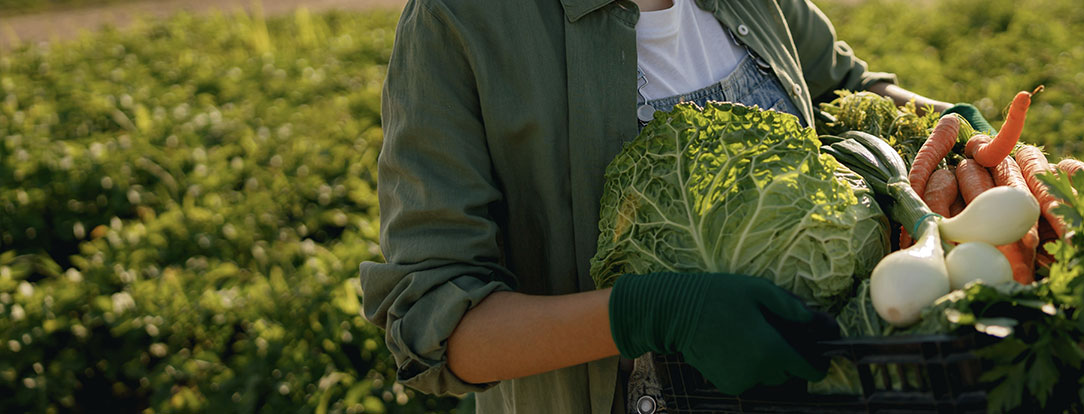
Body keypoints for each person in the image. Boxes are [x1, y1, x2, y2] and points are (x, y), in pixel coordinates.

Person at [359, 0, 993, 412]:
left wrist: (958, 131)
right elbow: (435, 320)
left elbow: (845, 87)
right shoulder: (459, 22)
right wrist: (650, 312)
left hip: (825, 386)